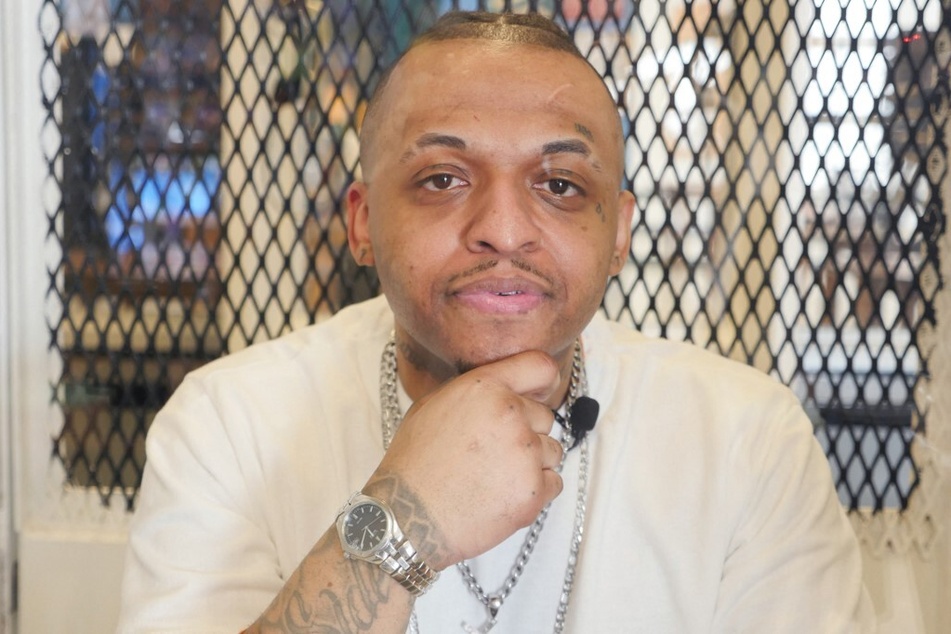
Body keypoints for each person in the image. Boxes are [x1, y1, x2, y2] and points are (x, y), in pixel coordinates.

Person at [118, 11, 876, 633]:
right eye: (442, 179)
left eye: (560, 184)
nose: (504, 230)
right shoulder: (227, 424)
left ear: (618, 234)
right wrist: (402, 519)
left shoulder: (745, 440)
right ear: (361, 222)